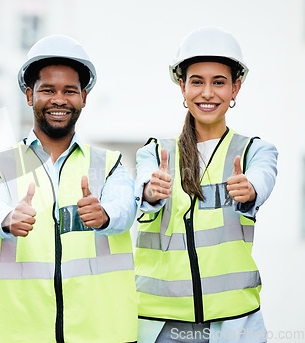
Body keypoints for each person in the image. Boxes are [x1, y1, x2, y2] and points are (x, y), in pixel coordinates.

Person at [0, 35, 138, 342]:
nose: (58, 99)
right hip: (19, 334)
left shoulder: (109, 164)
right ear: (29, 95)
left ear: (83, 97)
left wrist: (105, 216)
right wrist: (7, 218)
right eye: (47, 90)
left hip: (100, 334)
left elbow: (126, 208)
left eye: (69, 91)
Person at [134, 27, 278, 342]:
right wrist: (150, 191)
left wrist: (250, 190)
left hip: (232, 323)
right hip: (161, 324)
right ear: (182, 87)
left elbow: (263, 178)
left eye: (219, 82)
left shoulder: (255, 151)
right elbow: (142, 186)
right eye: (197, 82)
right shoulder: (155, 152)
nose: (208, 93)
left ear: (235, 88)